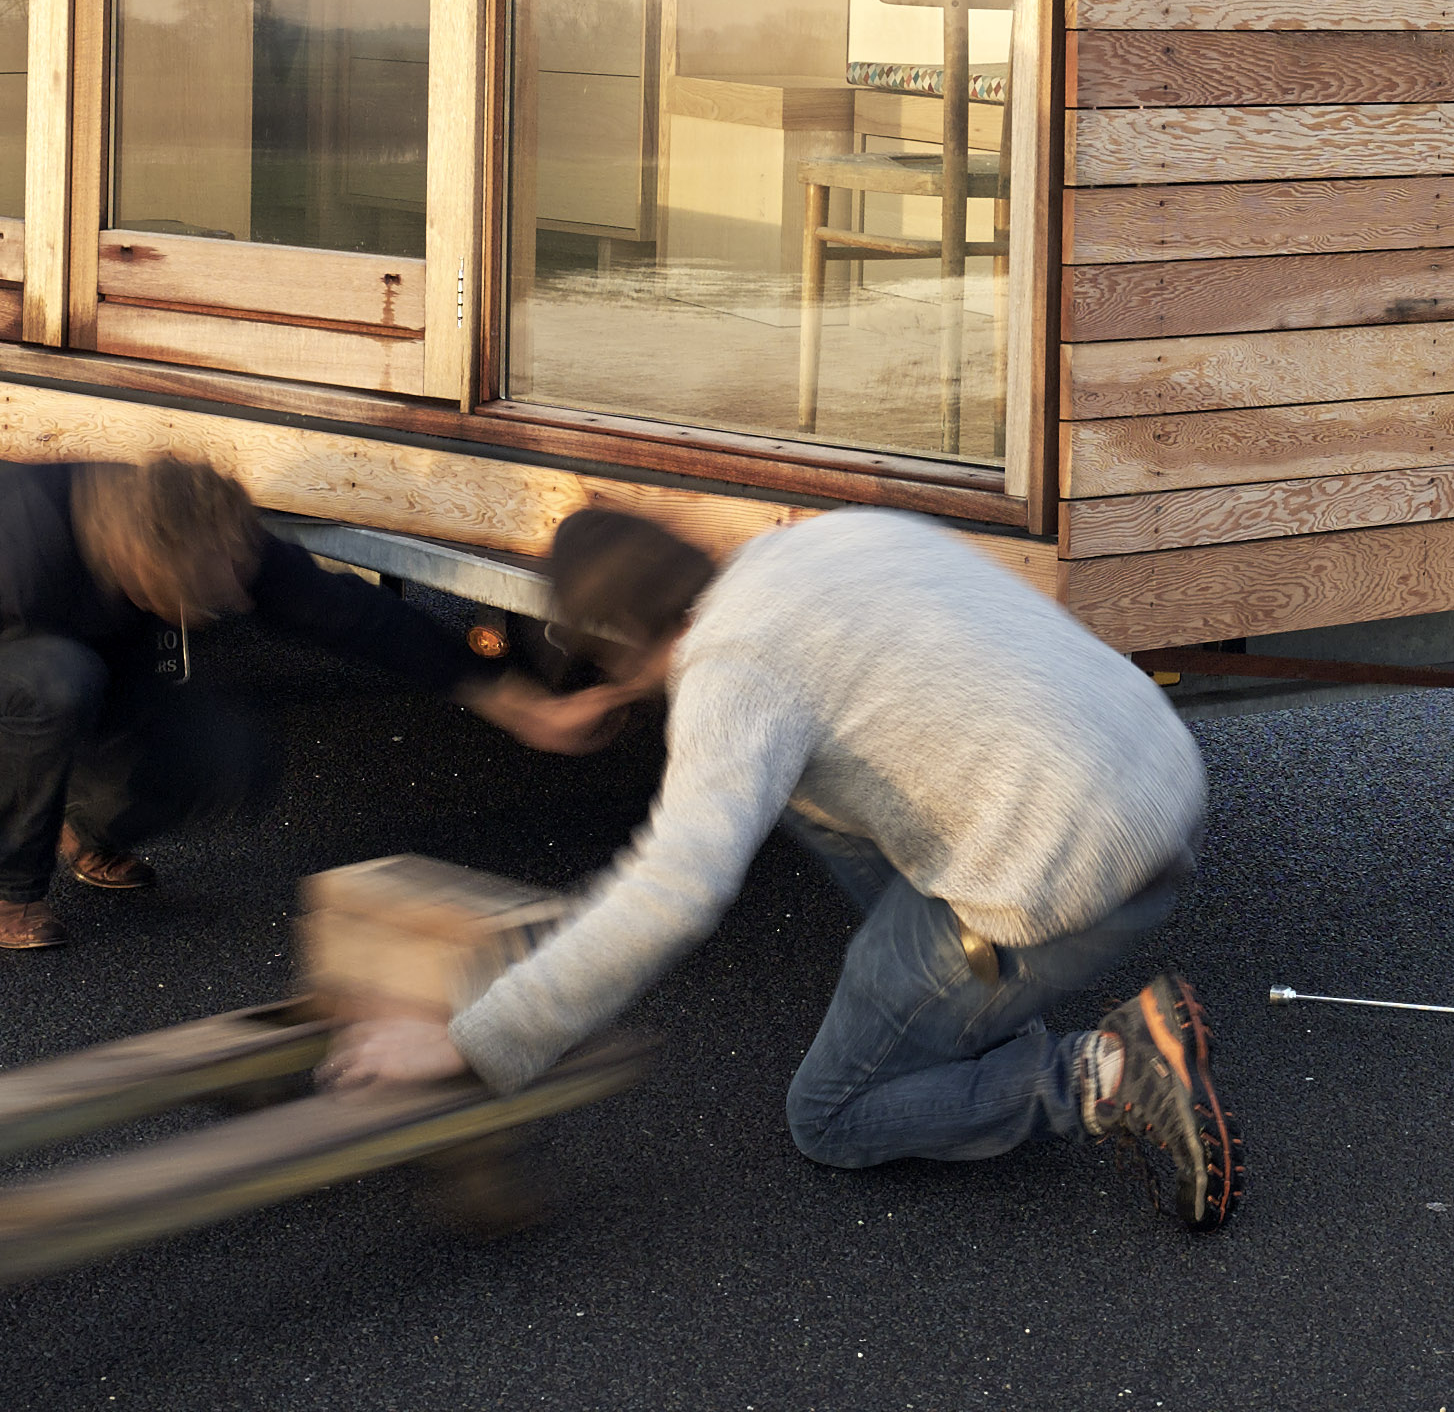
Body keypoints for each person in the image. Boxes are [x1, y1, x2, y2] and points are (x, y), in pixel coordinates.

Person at [323, 503, 1237, 1226]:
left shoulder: (734, 675)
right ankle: (965, 1020)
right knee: (805, 801)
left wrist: (473, 1039)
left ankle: (1103, 1071)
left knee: (832, 1117)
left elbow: (671, 894)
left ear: (621, 638)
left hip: (1071, 866)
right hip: (1159, 773)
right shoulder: (822, 540)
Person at [0, 450, 618, 949]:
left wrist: (520, 706)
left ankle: (74, 826)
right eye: (209, 593)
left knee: (233, 756)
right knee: (57, 679)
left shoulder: (206, 531)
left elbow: (354, 616)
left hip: (75, 675)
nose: (231, 600)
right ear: (147, 567)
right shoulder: (10, 550)